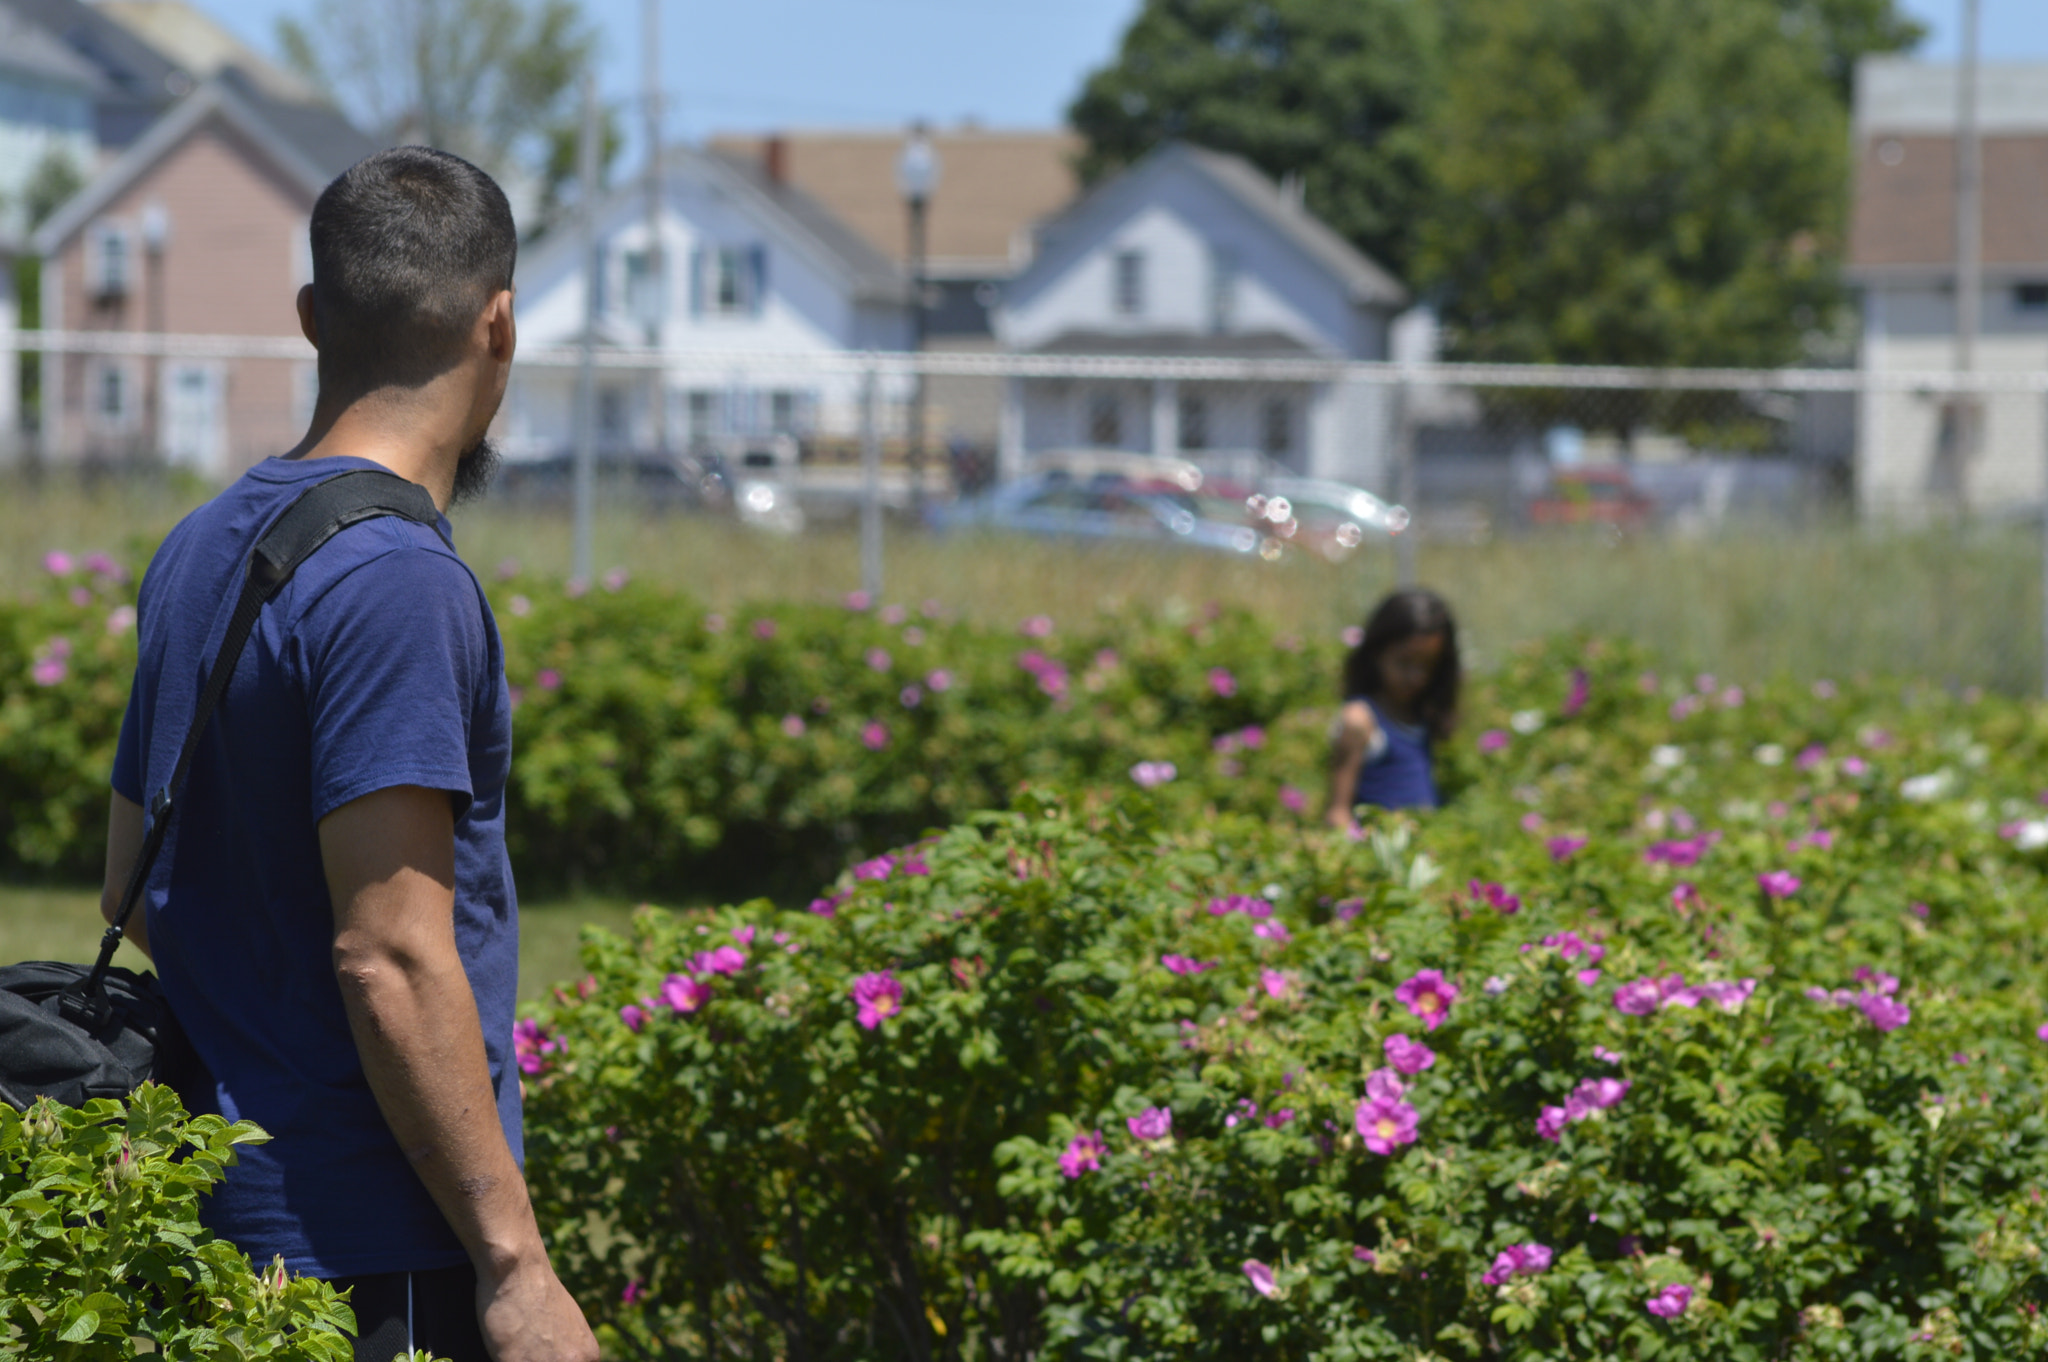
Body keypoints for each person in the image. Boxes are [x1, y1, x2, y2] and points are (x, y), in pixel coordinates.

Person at [99, 148, 598, 1362]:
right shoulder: (400, 585)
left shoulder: (202, 543)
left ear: (313, 317)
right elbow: (389, 952)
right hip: (371, 1250)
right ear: (501, 325)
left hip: (209, 1225)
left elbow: (131, 885)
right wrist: (515, 1268)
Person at [1322, 589, 1461, 830]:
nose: (1416, 677)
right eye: (1404, 662)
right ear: (1377, 653)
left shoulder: (1423, 716)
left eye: (1428, 666)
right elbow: (1338, 812)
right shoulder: (1360, 720)